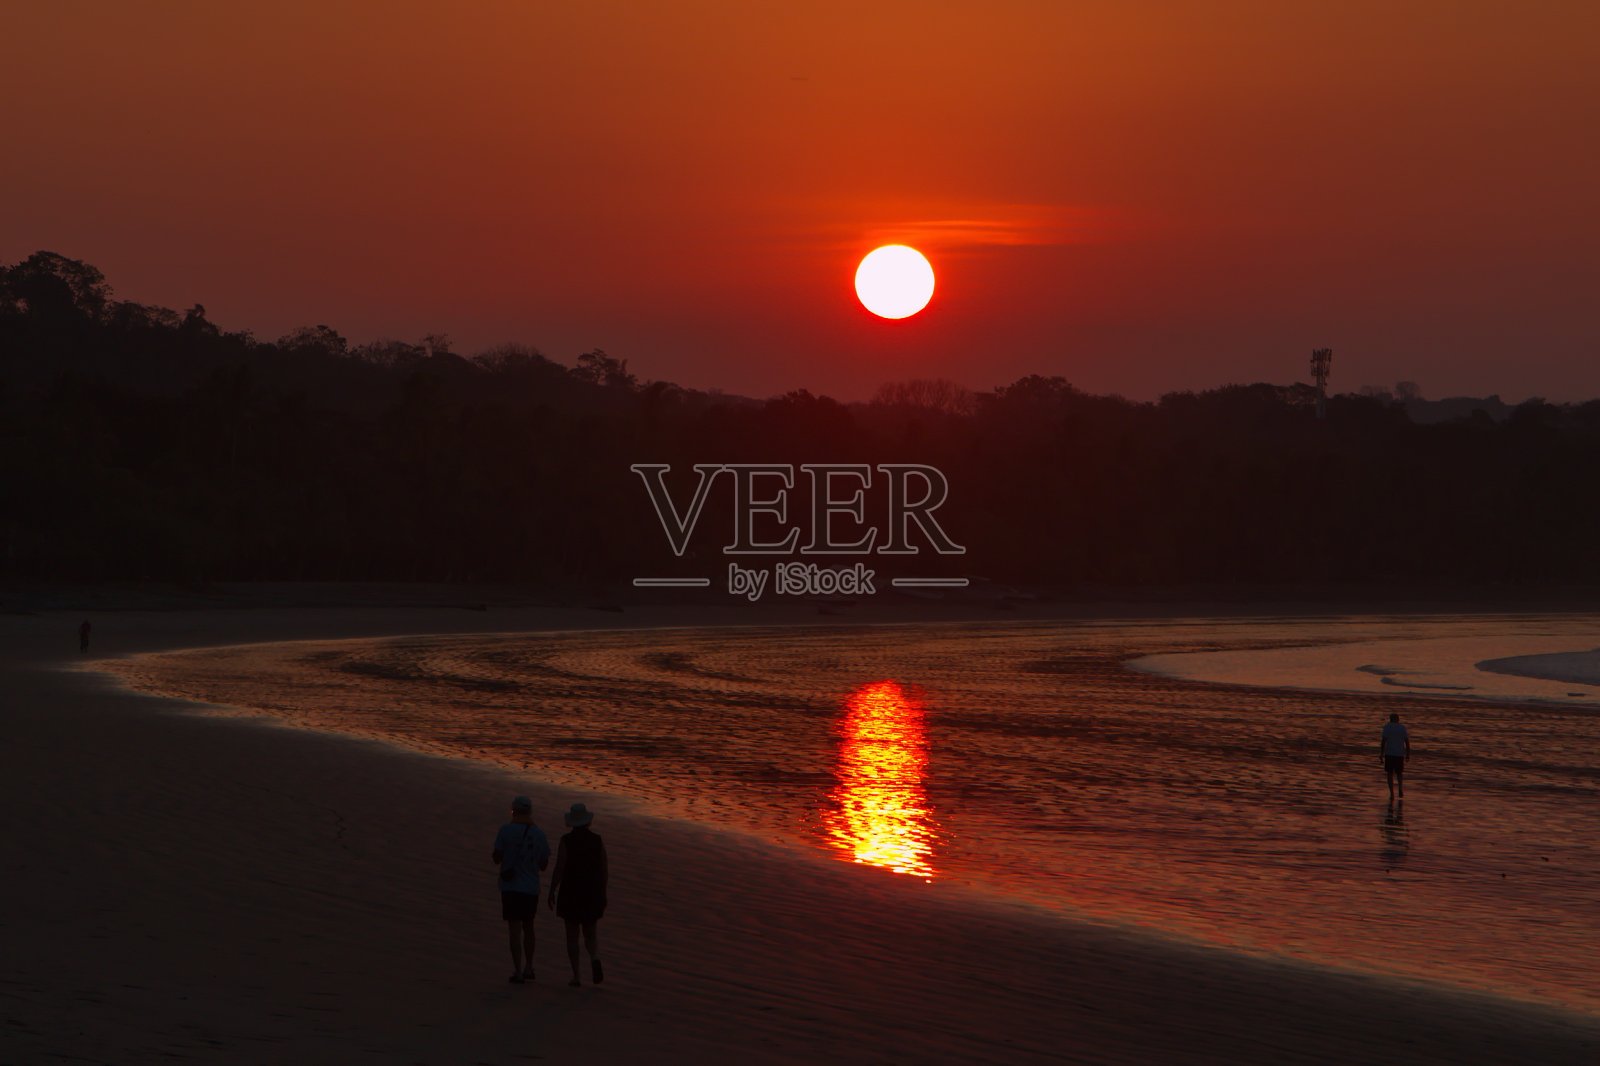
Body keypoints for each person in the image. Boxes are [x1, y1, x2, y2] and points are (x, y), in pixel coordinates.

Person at [548, 802, 608, 987]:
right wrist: (602, 892)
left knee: (572, 935)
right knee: (590, 933)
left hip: (571, 891)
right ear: (587, 822)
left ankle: (576, 975)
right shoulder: (597, 840)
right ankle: (595, 957)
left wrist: (552, 889)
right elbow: (604, 868)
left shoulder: (566, 840)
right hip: (591, 891)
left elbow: (560, 866)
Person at [492, 796, 550, 984]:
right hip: (530, 888)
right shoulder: (539, 834)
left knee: (514, 930)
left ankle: (517, 970)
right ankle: (529, 967)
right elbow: (543, 865)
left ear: (514, 811)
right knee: (529, 927)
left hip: (510, 887)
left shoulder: (505, 830)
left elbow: (496, 858)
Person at [1380, 712, 1411, 801]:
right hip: (1399, 754)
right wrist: (1408, 754)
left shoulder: (1387, 727)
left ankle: (1392, 793)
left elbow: (1383, 741)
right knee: (1399, 773)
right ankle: (1400, 788)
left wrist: (1381, 754)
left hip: (1389, 753)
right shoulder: (1402, 728)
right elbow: (1407, 742)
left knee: (1390, 773)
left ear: (1390, 719)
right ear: (1397, 719)